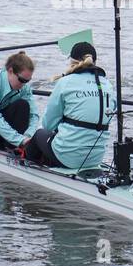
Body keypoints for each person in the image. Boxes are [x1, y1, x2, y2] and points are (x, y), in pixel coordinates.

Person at [23, 41, 115, 171]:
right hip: (96, 157)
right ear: (95, 61)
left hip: (68, 158)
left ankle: (28, 168)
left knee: (39, 134)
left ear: (72, 61)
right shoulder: (108, 85)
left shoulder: (65, 82)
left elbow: (48, 125)